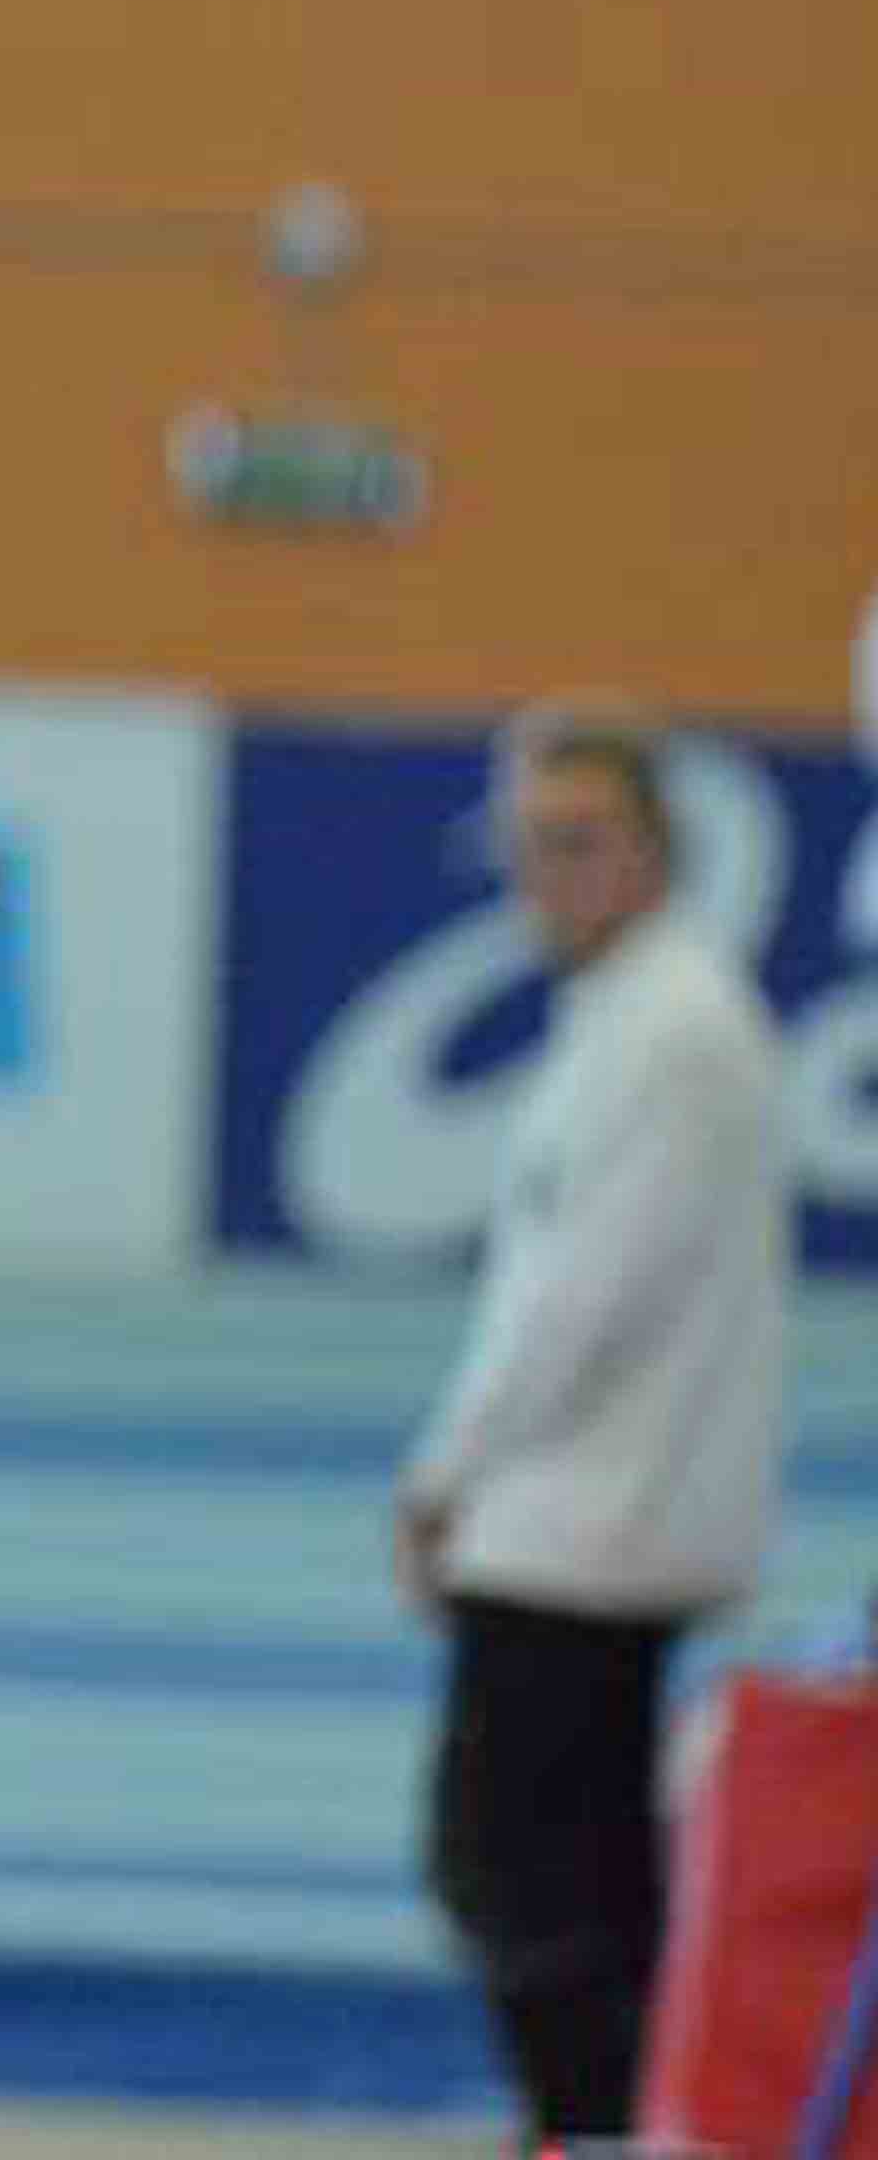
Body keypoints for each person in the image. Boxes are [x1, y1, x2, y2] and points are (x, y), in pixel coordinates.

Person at [397, 699, 795, 2145]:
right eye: (531, 846)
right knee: (576, 1895)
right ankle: (593, 2128)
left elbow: (579, 1306)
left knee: (521, 1885)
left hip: (583, 1530)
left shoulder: (674, 1033)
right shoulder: (638, 1017)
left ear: (657, 849)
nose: (551, 878)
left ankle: (597, 2129)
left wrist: (444, 1476)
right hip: (582, 1515)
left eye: (583, 843)